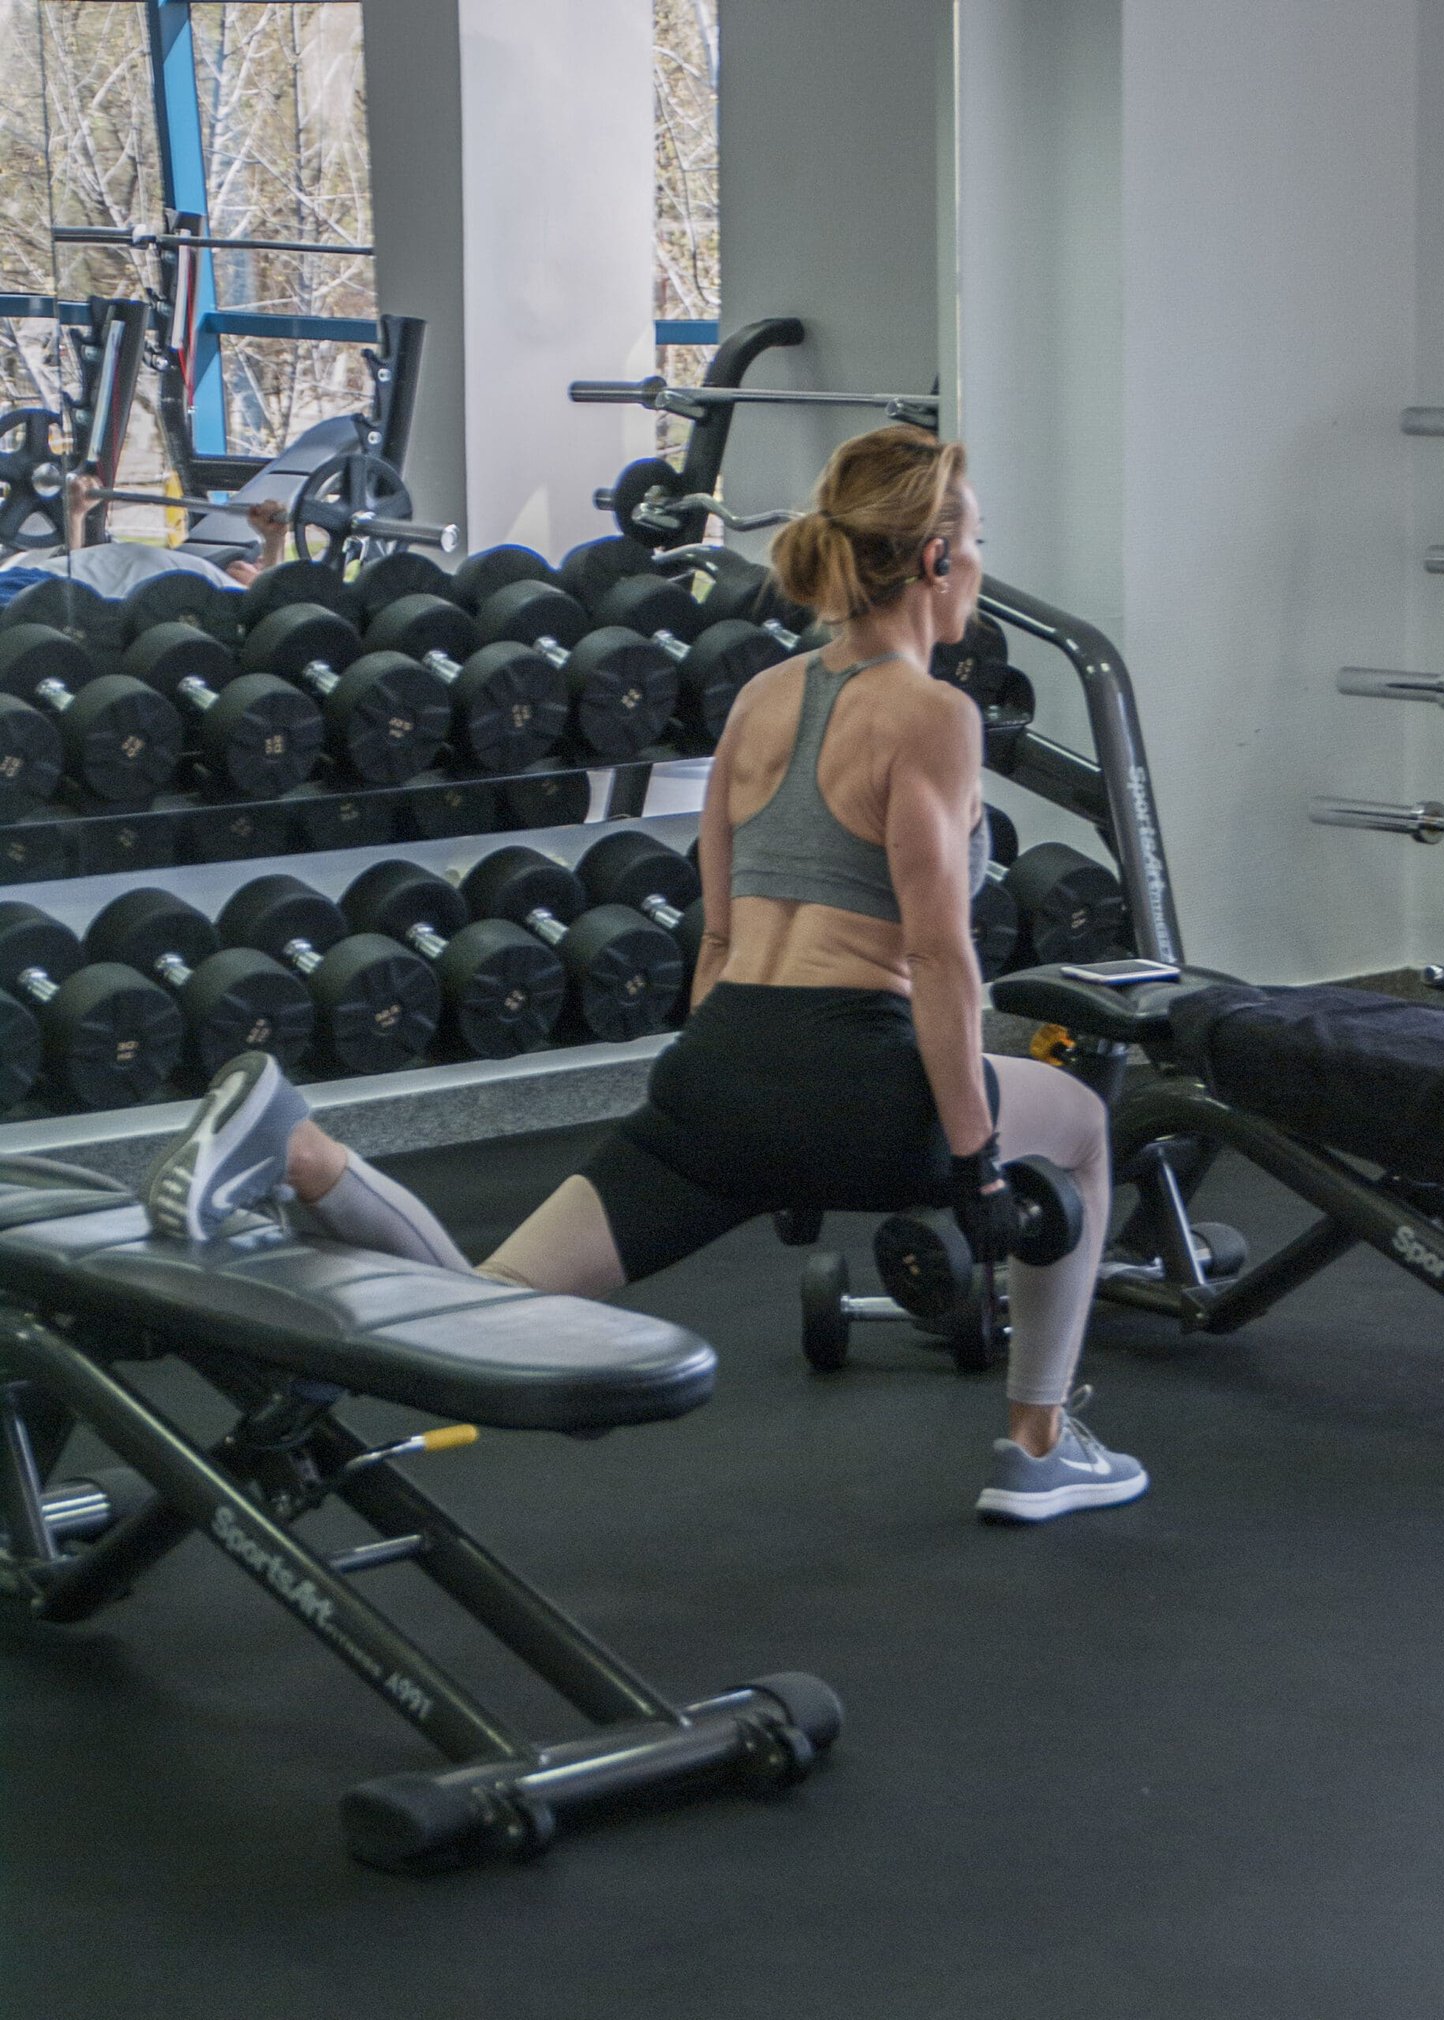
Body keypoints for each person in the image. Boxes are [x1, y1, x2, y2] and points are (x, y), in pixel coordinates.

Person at [139, 425, 1147, 1524]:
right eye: (979, 543)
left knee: (477, 1309)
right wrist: (978, 1165)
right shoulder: (936, 714)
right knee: (1086, 1129)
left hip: (715, 1067)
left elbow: (715, 937)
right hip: (858, 1073)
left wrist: (754, 1132)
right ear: (937, 560)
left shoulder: (760, 698)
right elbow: (940, 956)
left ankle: (304, 1153)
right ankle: (1036, 1445)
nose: (981, 568)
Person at [0, 471, 287, 603]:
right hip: (34, 578)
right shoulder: (200, 570)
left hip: (50, 599)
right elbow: (77, 563)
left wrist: (274, 541)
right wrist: (76, 514)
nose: (254, 562)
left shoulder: (226, 597)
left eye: (260, 565)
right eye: (260, 560)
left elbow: (271, 608)